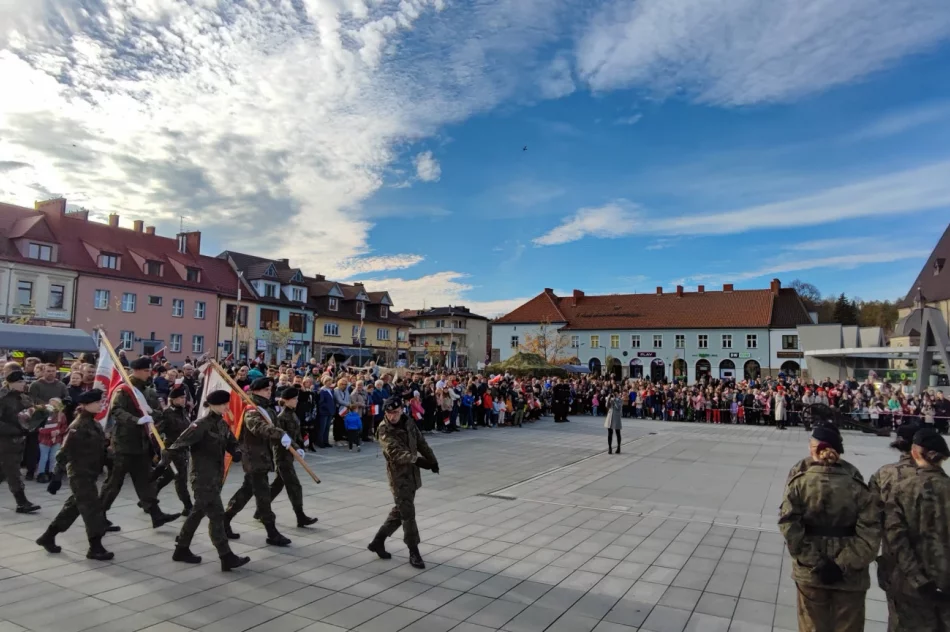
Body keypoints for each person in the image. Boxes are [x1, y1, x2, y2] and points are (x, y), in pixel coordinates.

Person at [779, 425, 881, 632]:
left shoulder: (800, 482)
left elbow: (789, 525)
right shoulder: (855, 482)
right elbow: (870, 533)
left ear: (816, 449)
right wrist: (842, 564)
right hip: (850, 575)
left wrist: (815, 561)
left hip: (810, 572)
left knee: (812, 626)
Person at [161, 389, 251, 571]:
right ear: (212, 405)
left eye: (227, 403)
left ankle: (181, 549)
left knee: (197, 513)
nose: (227, 407)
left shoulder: (221, 424)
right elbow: (178, 445)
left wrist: (236, 452)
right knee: (217, 516)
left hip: (215, 477)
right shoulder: (200, 425)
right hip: (202, 478)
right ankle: (226, 556)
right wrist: (164, 462)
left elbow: (231, 442)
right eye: (224, 404)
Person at [98, 357, 180, 529]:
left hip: (142, 444)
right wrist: (136, 420)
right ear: (136, 371)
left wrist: (156, 416)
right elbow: (117, 411)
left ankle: (155, 514)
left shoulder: (147, 391)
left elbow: (154, 410)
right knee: (114, 482)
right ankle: (98, 516)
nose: (148, 373)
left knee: (145, 480)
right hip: (124, 443)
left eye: (149, 370)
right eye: (145, 370)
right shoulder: (124, 390)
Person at [882, 427, 950, 631]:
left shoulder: (902, 490)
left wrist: (920, 581)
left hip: (910, 588)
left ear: (914, 453)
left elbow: (896, 541)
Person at [36, 389, 113, 560]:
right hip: (80, 473)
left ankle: (48, 536)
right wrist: (56, 475)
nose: (100, 405)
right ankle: (95, 547)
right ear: (86, 405)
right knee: (92, 509)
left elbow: (99, 449)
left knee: (73, 508)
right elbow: (64, 451)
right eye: (97, 403)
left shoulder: (94, 424)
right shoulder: (78, 426)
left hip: (90, 472)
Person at [367, 397, 439, 569]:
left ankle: (378, 541)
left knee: (401, 510)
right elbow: (394, 452)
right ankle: (414, 551)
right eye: (389, 413)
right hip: (399, 477)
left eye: (396, 412)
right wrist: (419, 461)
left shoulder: (408, 422)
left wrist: (432, 460)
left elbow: (421, 442)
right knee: (408, 514)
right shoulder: (384, 429)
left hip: (412, 475)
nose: (393, 416)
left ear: (402, 410)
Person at [224, 378, 294, 545]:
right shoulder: (252, 409)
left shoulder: (266, 409)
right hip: (253, 457)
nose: (269, 392)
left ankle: (224, 520)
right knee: (263, 496)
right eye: (266, 390)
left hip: (262, 457)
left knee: (247, 491)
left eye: (270, 389)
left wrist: (294, 444)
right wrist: (279, 435)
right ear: (256, 391)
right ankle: (272, 532)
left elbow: (279, 429)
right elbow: (258, 428)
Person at [868, 422, 921, 628]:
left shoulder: (884, 474)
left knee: (897, 615)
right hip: (931, 559)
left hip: (894, 555)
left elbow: (869, 513)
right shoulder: (936, 480)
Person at [266, 387, 317, 528]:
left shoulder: (293, 415)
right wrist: (295, 447)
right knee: (294, 486)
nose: (296, 401)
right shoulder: (281, 417)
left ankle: (261, 510)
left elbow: (296, 433)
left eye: (296, 398)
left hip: (290, 454)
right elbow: (282, 436)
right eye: (294, 399)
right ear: (286, 400)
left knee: (277, 485)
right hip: (282, 456)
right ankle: (300, 517)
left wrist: (302, 443)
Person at [0, 371, 42, 513]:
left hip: (20, 441)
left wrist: (39, 418)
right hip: (5, 441)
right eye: (20, 382)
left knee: (4, 472)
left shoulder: (24, 397)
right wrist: (17, 428)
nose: (23, 384)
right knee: (13, 472)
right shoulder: (2, 398)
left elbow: (32, 413)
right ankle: (22, 502)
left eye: (23, 382)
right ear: (10, 383)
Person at [155, 386, 193, 515]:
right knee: (181, 478)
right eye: (181, 398)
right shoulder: (167, 414)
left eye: (184, 397)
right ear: (172, 399)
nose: (184, 400)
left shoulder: (183, 411)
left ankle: (148, 497)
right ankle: (188, 506)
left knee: (168, 476)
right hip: (172, 451)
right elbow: (156, 432)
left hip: (183, 450)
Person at [605, 389, 623, 454]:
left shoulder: (620, 400)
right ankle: (610, 448)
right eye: (613, 394)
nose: (614, 395)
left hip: (616, 417)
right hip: (610, 417)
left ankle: (618, 447)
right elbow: (607, 406)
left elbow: (618, 407)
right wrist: (609, 398)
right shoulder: (610, 398)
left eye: (615, 394)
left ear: (618, 394)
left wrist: (615, 399)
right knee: (609, 433)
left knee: (617, 432)